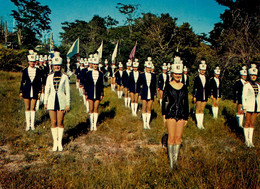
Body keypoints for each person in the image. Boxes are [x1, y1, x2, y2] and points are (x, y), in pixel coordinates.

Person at [162, 58, 189, 169]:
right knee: (171, 137)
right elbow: (164, 101)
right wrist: (164, 114)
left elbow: (186, 103)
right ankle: (171, 163)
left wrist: (186, 117)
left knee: (178, 138)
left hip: (182, 114)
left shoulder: (184, 87)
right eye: (176, 74)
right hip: (171, 113)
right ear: (172, 74)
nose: (178, 75)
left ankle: (175, 160)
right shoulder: (168, 85)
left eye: (180, 74)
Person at [44, 52, 70, 152]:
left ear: (61, 66)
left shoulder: (65, 77)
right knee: (53, 122)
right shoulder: (49, 77)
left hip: (61, 101)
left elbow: (67, 91)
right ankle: (55, 142)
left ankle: (60, 142)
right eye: (55, 65)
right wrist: (45, 102)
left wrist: (68, 104)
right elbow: (47, 90)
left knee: (60, 122)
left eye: (58, 65)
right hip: (51, 101)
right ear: (53, 66)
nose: (57, 67)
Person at [19, 50, 42, 131]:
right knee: (27, 107)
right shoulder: (25, 70)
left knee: (33, 108)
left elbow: (39, 82)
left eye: (33, 61)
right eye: (31, 61)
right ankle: (27, 125)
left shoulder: (38, 70)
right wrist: (21, 91)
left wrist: (40, 91)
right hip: (27, 90)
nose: (32, 63)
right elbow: (22, 81)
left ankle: (32, 125)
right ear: (28, 62)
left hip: (35, 90)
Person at [84, 53, 104, 131]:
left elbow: (102, 85)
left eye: (96, 64)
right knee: (91, 108)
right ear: (92, 64)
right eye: (94, 64)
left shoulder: (100, 74)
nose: (95, 66)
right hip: (90, 92)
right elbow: (86, 84)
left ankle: (95, 124)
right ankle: (91, 124)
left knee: (96, 109)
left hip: (98, 92)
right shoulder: (88, 73)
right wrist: (86, 93)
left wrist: (102, 93)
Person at [242, 64, 260, 148]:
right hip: (248, 106)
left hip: (256, 107)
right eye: (252, 75)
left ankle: (251, 140)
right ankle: (246, 140)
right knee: (247, 123)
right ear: (249, 75)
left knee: (252, 123)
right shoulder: (246, 85)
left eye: (255, 75)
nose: (253, 77)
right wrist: (244, 108)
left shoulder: (258, 85)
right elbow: (243, 96)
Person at [140, 57, 157, 129]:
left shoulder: (153, 75)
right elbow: (140, 84)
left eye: (150, 67)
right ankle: (144, 123)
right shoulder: (142, 75)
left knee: (149, 108)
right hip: (144, 92)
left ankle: (148, 123)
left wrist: (155, 93)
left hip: (151, 92)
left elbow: (154, 84)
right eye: (147, 67)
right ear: (145, 67)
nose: (149, 69)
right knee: (144, 107)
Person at [193, 60, 210, 129]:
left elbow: (208, 87)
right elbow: (195, 88)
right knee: (198, 109)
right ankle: (198, 124)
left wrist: (208, 95)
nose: (202, 71)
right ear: (199, 70)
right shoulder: (197, 78)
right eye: (201, 70)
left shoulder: (207, 78)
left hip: (204, 95)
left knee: (202, 110)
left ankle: (201, 124)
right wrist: (194, 96)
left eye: (204, 70)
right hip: (198, 95)